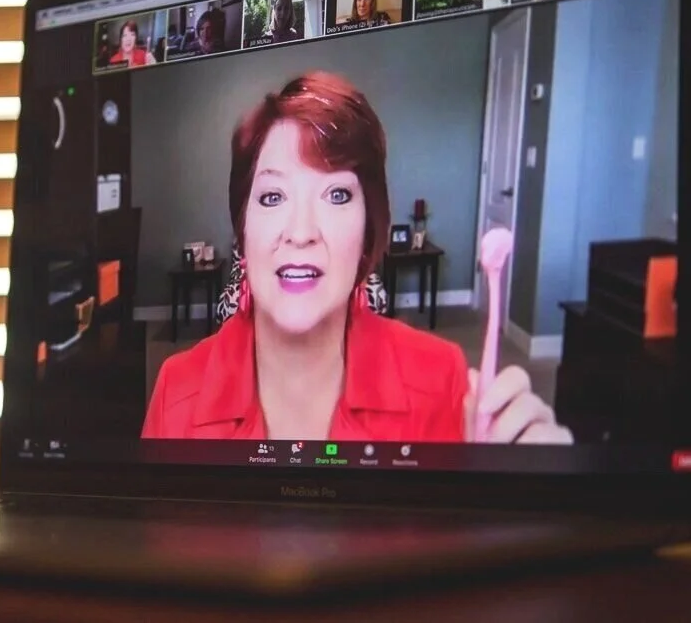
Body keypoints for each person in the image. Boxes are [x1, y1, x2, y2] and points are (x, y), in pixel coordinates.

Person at [141, 71, 573, 445]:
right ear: (243, 228)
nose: (301, 232)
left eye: (336, 195)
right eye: (273, 196)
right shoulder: (176, 390)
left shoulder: (443, 378)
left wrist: (511, 494)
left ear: (369, 228)